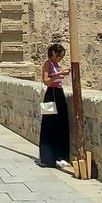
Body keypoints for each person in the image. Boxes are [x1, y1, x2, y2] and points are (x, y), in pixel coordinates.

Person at [39, 43, 72, 171]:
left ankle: (60, 155)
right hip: (50, 94)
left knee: (61, 125)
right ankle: (47, 157)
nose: (60, 59)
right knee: (48, 125)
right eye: (59, 56)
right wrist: (59, 74)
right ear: (53, 53)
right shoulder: (48, 64)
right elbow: (46, 81)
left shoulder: (56, 64)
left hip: (58, 93)